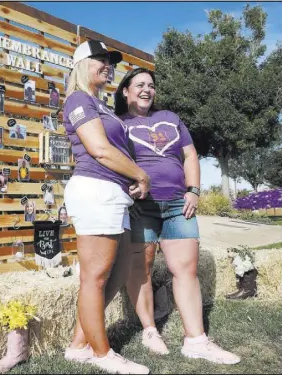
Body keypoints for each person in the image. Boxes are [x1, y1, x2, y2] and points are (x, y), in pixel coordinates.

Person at [115, 67, 240, 364]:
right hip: (140, 206)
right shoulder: (117, 123)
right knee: (141, 266)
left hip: (176, 205)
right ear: (125, 90)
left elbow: (190, 155)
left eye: (151, 85)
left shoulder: (170, 119)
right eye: (140, 84)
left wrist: (193, 190)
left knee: (185, 268)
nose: (147, 89)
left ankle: (195, 340)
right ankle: (149, 329)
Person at [62, 40, 151, 374]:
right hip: (95, 190)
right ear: (83, 64)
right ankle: (103, 355)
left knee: (115, 276)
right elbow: (99, 149)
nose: (108, 64)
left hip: (114, 195)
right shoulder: (78, 99)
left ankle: (78, 346)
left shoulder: (102, 105)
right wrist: (142, 176)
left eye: (110, 61)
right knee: (95, 279)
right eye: (100, 59)